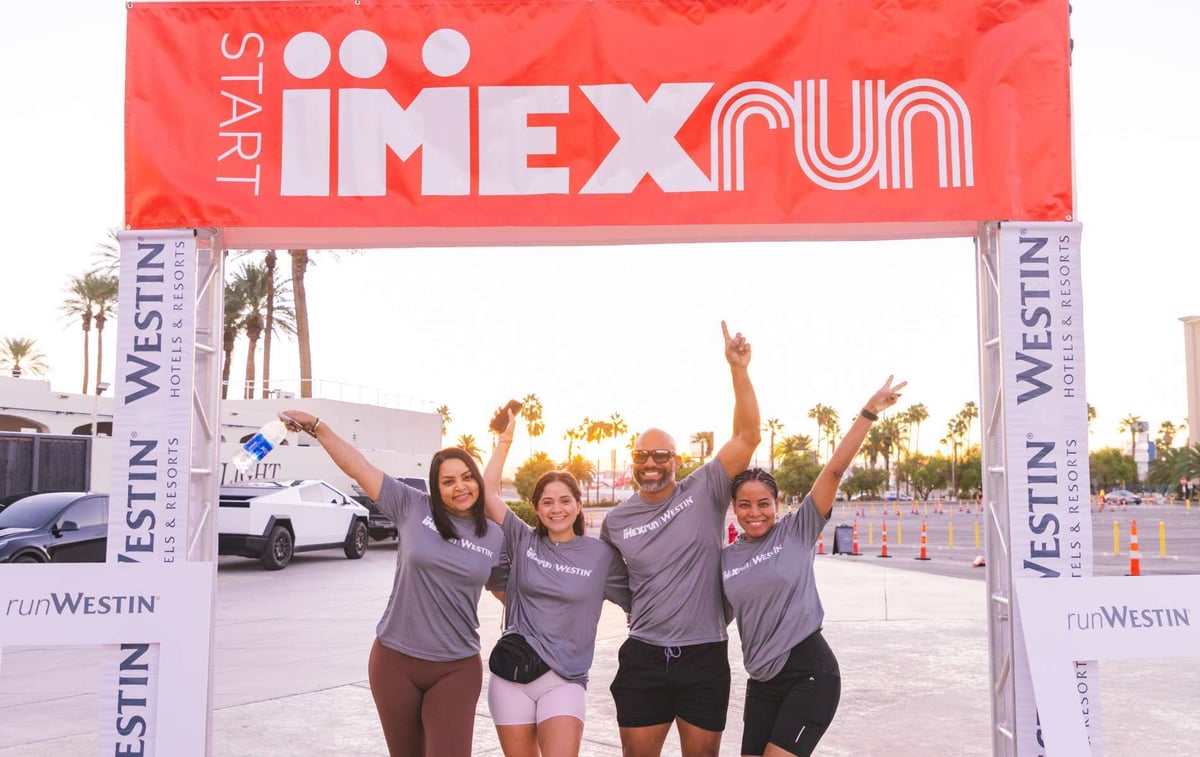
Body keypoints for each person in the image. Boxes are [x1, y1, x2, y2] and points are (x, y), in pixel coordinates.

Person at [278, 410, 504, 757]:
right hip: (394, 662)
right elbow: (359, 467)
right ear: (435, 486)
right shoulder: (412, 506)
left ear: (477, 480)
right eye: (448, 481)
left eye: (466, 477)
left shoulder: (495, 536)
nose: (460, 487)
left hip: (456, 666)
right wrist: (319, 428)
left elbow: (511, 595)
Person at [599, 321, 761, 757]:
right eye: (641, 455)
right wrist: (639, 604)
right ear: (633, 462)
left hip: (704, 654)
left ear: (676, 459)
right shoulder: (616, 520)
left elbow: (747, 437)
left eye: (661, 455)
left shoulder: (704, 488)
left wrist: (738, 370)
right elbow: (610, 578)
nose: (650, 463)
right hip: (645, 656)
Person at [721, 376, 906, 757]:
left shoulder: (797, 530)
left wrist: (868, 413)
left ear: (777, 504)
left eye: (762, 503)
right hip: (761, 680)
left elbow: (834, 471)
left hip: (810, 672)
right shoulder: (726, 558)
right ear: (734, 507)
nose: (754, 513)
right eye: (744, 504)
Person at [480, 410, 632, 756]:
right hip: (512, 676)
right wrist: (505, 441)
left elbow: (637, 600)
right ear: (536, 508)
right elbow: (487, 491)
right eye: (547, 502)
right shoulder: (523, 539)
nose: (556, 509)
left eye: (565, 501)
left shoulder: (601, 556)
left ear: (579, 506)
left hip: (564, 679)